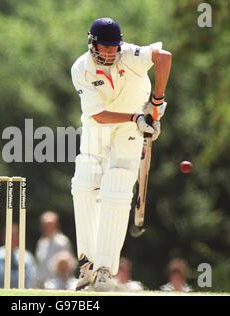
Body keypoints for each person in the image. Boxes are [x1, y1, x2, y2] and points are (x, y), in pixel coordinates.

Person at [70, 17, 172, 291]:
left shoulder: (130, 55)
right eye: (104, 47)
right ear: (92, 44)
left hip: (130, 128)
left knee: (116, 192)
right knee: (83, 185)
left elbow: (164, 57)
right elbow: (98, 115)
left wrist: (157, 101)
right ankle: (87, 264)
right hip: (100, 124)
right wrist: (137, 116)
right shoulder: (81, 67)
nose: (110, 53)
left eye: (114, 47)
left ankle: (104, 270)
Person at [35, 211, 73, 288]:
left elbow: (67, 264)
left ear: (56, 224)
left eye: (49, 224)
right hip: (41, 283)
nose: (47, 227)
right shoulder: (41, 242)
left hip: (55, 285)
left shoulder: (62, 241)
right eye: (44, 224)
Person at [0, 223, 37, 289]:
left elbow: (32, 276)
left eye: (15, 235)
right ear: (3, 237)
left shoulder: (27, 256)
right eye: (10, 235)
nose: (13, 238)